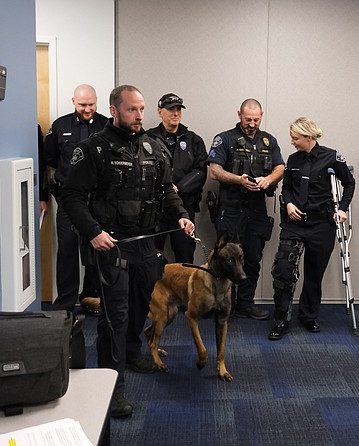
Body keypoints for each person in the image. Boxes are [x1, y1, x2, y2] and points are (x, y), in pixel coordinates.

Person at [60, 85, 194, 418]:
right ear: (114, 110)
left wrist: (180, 214)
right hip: (111, 244)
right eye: (132, 110)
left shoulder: (153, 147)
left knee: (140, 307)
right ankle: (112, 388)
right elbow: (72, 197)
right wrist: (92, 232)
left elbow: (166, 190)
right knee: (114, 316)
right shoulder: (93, 149)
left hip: (147, 244)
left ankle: (133, 351)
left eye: (142, 109)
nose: (139, 116)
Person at [269, 117, 355, 340]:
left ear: (308, 137)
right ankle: (281, 319)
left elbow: (349, 183)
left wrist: (343, 209)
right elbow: (286, 188)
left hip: (321, 224)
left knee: (314, 274)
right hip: (294, 223)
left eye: (295, 138)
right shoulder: (293, 159)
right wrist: (288, 204)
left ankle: (308, 316)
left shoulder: (332, 156)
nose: (292, 142)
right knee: (284, 271)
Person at [207, 98, 285, 320]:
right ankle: (223, 305)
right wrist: (239, 180)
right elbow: (215, 171)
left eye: (256, 119)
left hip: (256, 209)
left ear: (261, 115)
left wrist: (268, 180)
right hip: (230, 209)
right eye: (248, 119)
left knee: (252, 258)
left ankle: (246, 304)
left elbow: (280, 167)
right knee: (226, 260)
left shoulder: (269, 140)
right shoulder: (225, 139)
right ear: (239, 114)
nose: (252, 123)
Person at [45, 84, 108, 314]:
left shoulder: (107, 125)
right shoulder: (60, 126)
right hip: (69, 200)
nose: (87, 109)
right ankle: (65, 303)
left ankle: (93, 298)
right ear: (73, 102)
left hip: (97, 200)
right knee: (68, 250)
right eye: (82, 105)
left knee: (97, 249)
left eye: (91, 104)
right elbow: (50, 157)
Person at [147, 93, 207, 263]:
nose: (176, 113)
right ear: (160, 111)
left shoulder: (194, 140)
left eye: (178, 109)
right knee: (151, 258)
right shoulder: (147, 139)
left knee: (185, 256)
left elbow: (200, 171)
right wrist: (163, 186)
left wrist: (178, 187)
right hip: (155, 209)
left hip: (184, 207)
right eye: (170, 109)